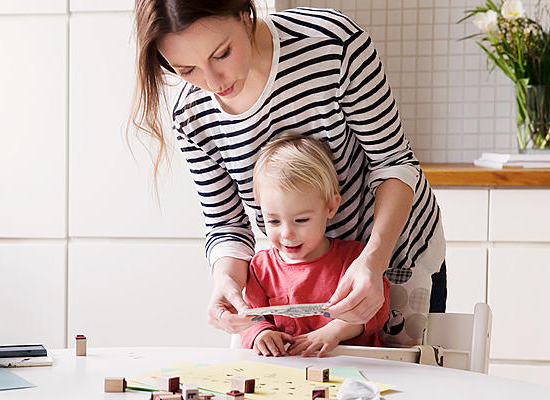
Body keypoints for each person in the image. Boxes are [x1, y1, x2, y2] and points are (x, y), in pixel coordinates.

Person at [130, 0, 447, 347]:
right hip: (298, 269)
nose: (212, 82)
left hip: (393, 249)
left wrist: (373, 261)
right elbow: (227, 225)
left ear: (244, 13)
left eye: (221, 54)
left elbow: (393, 163)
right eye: (187, 69)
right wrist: (225, 282)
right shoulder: (192, 114)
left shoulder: (331, 45)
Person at [240, 135, 390, 357]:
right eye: (273, 221)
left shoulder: (355, 258)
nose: (287, 234)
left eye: (301, 220)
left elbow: (375, 310)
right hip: (290, 369)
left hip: (353, 364)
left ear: (331, 207)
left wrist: (333, 332)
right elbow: (249, 316)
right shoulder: (260, 268)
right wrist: (262, 333)